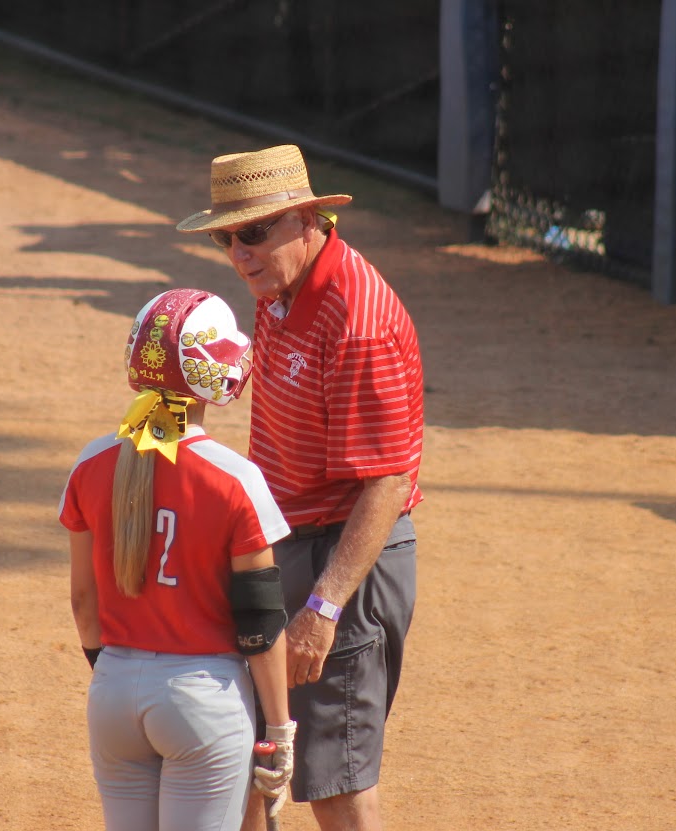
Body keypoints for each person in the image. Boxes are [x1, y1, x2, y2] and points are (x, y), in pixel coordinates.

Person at [176, 145, 424, 831]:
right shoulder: (280, 289)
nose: (238, 252)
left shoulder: (357, 317)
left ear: (306, 219)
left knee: (334, 779)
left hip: (343, 558)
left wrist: (324, 605)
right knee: (251, 748)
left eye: (253, 232)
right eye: (227, 237)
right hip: (286, 543)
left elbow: (387, 479)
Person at [58, 288, 299, 831]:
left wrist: (126, 674)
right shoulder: (236, 479)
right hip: (202, 698)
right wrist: (280, 731)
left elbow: (82, 602)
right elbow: (261, 622)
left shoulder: (91, 463)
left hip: (114, 692)